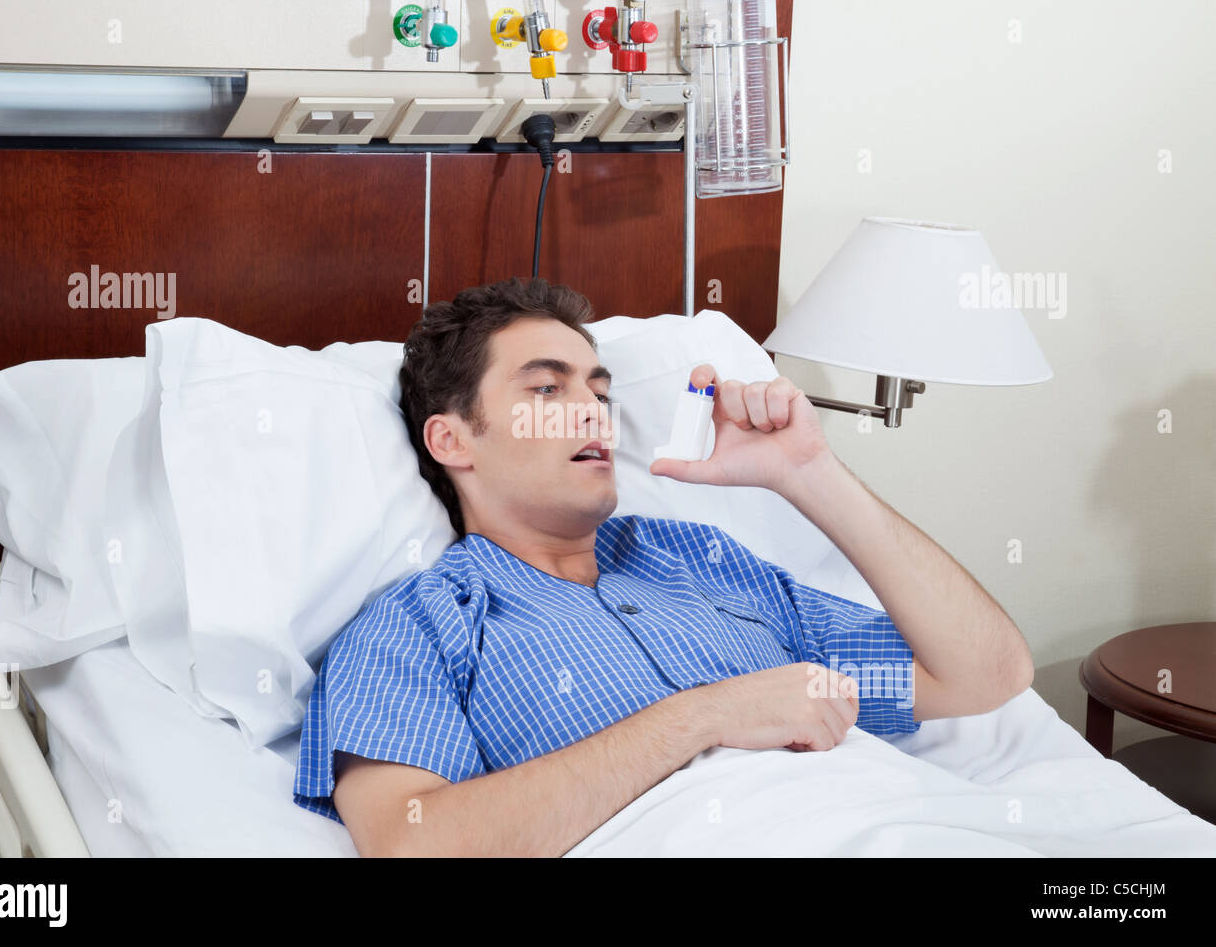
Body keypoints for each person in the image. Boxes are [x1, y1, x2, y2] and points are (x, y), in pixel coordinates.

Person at [293, 276, 1034, 856]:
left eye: (600, 390)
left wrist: (810, 474)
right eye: (547, 388)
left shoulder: (700, 558)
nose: (594, 410)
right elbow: (412, 843)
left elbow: (986, 675)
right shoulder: (417, 625)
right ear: (452, 440)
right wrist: (706, 715)